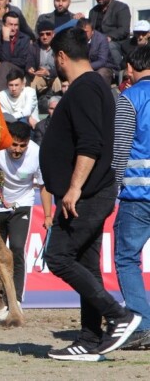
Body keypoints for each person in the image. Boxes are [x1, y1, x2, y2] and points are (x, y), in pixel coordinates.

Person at [40, 26, 140, 361]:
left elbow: (90, 145)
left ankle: (118, 315)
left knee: (58, 257)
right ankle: (89, 338)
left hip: (87, 193)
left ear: (61, 57)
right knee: (86, 263)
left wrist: (73, 188)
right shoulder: (95, 85)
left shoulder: (84, 89)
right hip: (93, 190)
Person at [111, 45, 150, 350]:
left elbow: (120, 151)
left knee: (126, 259)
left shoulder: (128, 99)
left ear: (131, 68)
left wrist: (109, 191)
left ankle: (142, 325)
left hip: (138, 195)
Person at [0, 121, 51, 317]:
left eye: (22, 146)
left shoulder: (37, 154)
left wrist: (48, 215)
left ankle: (15, 299)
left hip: (22, 204)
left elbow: (43, 186)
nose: (17, 150)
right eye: (14, 145)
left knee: (16, 248)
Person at [89, 0, 131, 70]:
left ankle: (119, 70)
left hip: (117, 44)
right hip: (97, 44)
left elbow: (124, 29)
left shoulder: (121, 7)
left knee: (110, 45)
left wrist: (108, 37)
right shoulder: (93, 11)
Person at [0, 12, 31, 90]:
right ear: (4, 25)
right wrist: (6, 39)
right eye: (10, 24)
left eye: (16, 25)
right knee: (4, 65)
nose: (13, 28)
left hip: (19, 71)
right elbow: (4, 58)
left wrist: (0, 63)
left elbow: (23, 61)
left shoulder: (25, 39)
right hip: (1, 72)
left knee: (4, 65)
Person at [77, 18, 118, 85]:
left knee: (102, 73)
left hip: (104, 67)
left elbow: (102, 61)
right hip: (83, 67)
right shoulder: (75, 39)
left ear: (92, 31)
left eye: (86, 32)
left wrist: (85, 67)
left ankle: (103, 94)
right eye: (81, 32)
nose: (83, 34)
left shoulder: (101, 39)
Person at [27, 20, 60, 97]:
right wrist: (30, 68)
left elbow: (62, 67)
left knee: (58, 83)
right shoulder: (34, 47)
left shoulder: (59, 47)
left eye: (48, 34)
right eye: (42, 34)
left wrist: (49, 73)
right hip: (40, 76)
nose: (45, 37)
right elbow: (29, 61)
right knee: (33, 84)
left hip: (56, 76)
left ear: (53, 34)